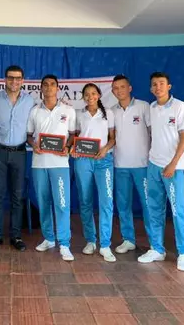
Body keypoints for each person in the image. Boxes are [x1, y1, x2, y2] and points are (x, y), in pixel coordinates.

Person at [138, 72, 184, 272]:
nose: (158, 87)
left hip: (174, 167)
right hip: (154, 165)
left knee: (178, 210)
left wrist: (173, 163)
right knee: (154, 208)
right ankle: (157, 249)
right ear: (151, 89)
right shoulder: (151, 108)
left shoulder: (180, 107)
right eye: (154, 84)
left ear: (169, 86)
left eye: (161, 83)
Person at [0, 65, 35, 252]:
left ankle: (16, 236)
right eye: (11, 78)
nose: (14, 81)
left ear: (23, 80)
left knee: (17, 196)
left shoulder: (30, 101)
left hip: (20, 153)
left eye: (18, 78)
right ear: (5, 79)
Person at [27, 74, 76, 261]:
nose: (48, 88)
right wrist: (33, 145)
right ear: (41, 88)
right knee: (43, 203)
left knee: (62, 203)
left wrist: (68, 147)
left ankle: (64, 243)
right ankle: (48, 238)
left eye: (52, 85)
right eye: (45, 85)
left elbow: (72, 134)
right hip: (39, 164)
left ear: (58, 88)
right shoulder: (34, 111)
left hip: (60, 164)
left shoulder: (69, 110)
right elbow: (29, 135)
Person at [72, 83, 116, 262]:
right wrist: (73, 149)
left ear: (98, 95)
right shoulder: (78, 114)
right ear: (83, 97)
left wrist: (105, 148)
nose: (90, 97)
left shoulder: (109, 114)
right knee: (85, 200)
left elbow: (113, 138)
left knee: (106, 201)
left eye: (93, 93)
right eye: (86, 94)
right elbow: (74, 138)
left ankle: (105, 245)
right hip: (83, 160)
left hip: (103, 160)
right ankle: (90, 240)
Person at [110, 75, 152, 254]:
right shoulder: (111, 111)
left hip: (142, 165)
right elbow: (110, 138)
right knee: (123, 205)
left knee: (148, 205)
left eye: (122, 87)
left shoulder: (144, 106)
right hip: (120, 165)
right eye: (115, 88)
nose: (119, 90)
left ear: (130, 88)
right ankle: (128, 240)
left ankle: (155, 243)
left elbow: (153, 133)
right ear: (112, 91)